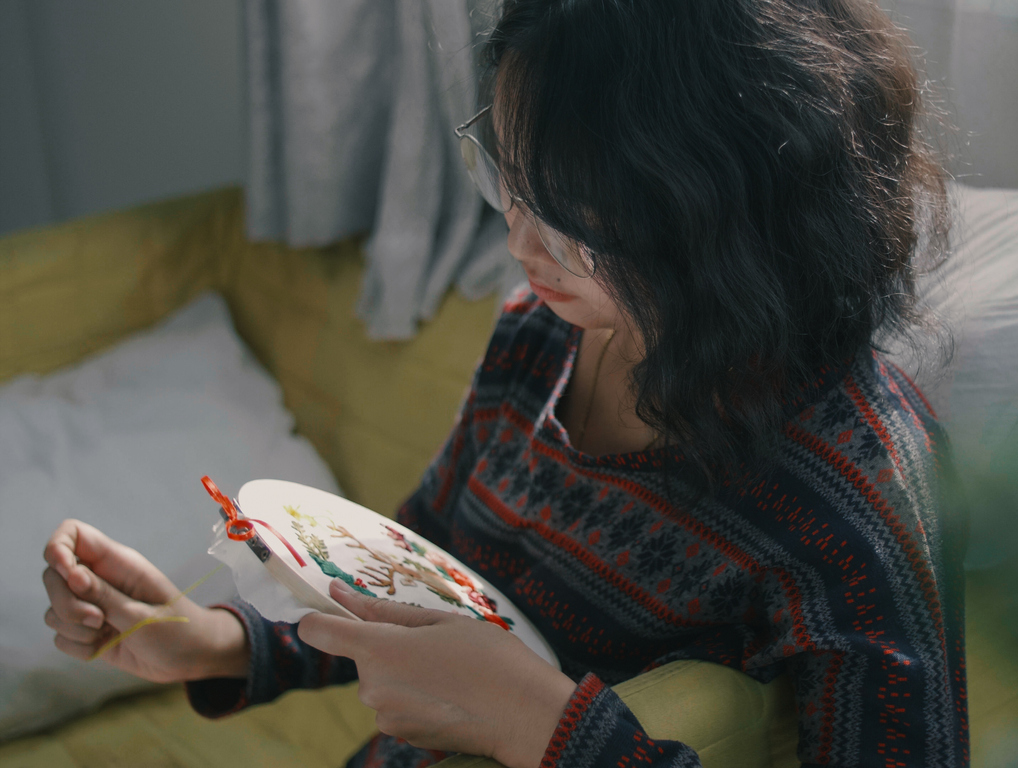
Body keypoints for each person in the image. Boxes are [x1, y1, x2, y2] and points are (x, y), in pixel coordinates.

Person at [41, 0, 967, 766]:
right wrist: (215, 645)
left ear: (721, 212)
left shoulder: (851, 491)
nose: (522, 245)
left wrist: (548, 728)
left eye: (573, 217)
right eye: (514, 184)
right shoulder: (540, 338)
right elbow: (424, 578)